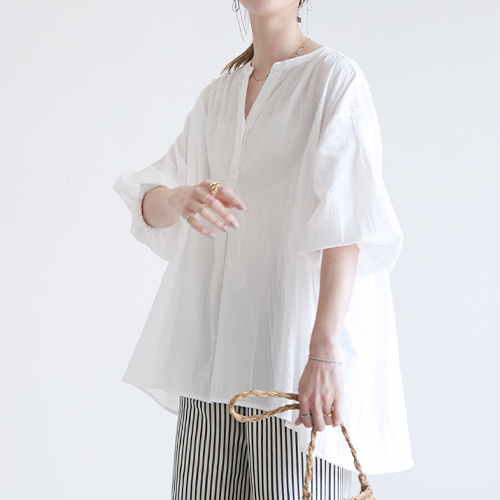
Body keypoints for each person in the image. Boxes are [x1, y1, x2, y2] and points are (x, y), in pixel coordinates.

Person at [113, 0, 414, 498]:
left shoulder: (333, 80)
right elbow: (148, 203)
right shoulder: (218, 96)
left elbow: (347, 226)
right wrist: (180, 197)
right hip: (211, 368)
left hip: (292, 367)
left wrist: (324, 354)